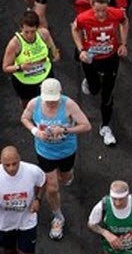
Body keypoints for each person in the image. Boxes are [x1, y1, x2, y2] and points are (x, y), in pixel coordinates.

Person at [21, 77, 92, 241]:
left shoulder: (69, 105)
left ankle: (68, 174)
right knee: (52, 188)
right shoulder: (34, 104)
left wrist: (66, 130)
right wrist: (35, 131)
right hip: (45, 152)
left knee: (65, 177)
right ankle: (58, 217)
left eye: (54, 100)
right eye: (48, 100)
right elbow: (24, 118)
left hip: (66, 151)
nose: (52, 104)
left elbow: (86, 125)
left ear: (60, 94)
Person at [71, 0, 128, 146]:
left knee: (107, 95)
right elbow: (75, 29)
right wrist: (81, 49)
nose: (101, 14)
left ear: (108, 5)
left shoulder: (115, 14)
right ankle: (90, 82)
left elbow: (124, 21)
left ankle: (105, 126)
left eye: (104, 10)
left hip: (110, 58)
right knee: (94, 89)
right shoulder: (83, 18)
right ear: (91, 7)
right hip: (90, 59)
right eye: (97, 11)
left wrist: (123, 43)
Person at [0, 145, 45, 254]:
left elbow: (42, 182)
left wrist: (38, 199)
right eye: (7, 165)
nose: (12, 168)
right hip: (5, 223)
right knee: (8, 250)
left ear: (19, 158)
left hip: (27, 220)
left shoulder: (32, 171)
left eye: (15, 163)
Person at [3, 10, 59, 108]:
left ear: (37, 28)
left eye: (33, 31)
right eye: (26, 32)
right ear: (21, 28)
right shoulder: (15, 44)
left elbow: (53, 48)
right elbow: (6, 67)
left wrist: (55, 54)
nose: (29, 35)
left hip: (45, 76)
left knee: (49, 102)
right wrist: (20, 67)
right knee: (28, 105)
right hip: (25, 83)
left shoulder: (44, 34)